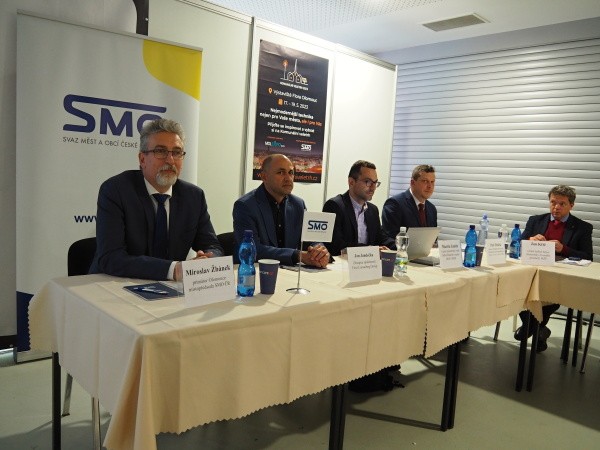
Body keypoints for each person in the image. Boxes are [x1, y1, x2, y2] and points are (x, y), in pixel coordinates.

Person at [89, 118, 223, 282]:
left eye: (177, 152)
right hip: (112, 284)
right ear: (142, 159)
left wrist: (208, 258)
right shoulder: (116, 190)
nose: (170, 160)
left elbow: (213, 246)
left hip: (170, 289)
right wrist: (173, 270)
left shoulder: (194, 196)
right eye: (160, 151)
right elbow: (111, 257)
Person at [515, 185, 593, 352]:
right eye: (553, 202)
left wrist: (564, 249)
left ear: (571, 205)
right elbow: (518, 244)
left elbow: (588, 256)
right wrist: (529, 240)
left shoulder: (583, 227)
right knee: (518, 292)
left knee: (550, 295)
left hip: (560, 278)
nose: (556, 207)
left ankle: (530, 327)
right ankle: (539, 330)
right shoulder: (535, 220)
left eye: (562, 204)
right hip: (533, 272)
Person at [232, 154, 329, 268]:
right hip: (257, 272)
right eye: (281, 172)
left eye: (291, 172)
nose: (288, 178)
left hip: (290, 272)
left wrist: (319, 251)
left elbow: (309, 239)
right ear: (264, 176)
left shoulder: (298, 204)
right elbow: (253, 249)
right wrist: (297, 255)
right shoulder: (245, 206)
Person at [322, 160, 395, 256]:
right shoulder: (334, 206)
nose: (373, 187)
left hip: (368, 263)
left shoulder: (373, 210)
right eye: (368, 182)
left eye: (375, 182)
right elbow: (336, 246)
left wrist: (401, 247)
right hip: (342, 263)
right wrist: (370, 250)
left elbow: (381, 238)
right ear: (351, 182)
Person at [382, 164, 437, 240]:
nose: (430, 186)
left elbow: (433, 239)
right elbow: (389, 239)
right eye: (425, 181)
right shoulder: (394, 204)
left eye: (432, 182)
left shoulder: (432, 209)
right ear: (412, 183)